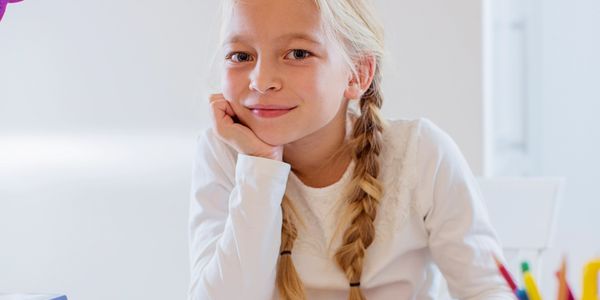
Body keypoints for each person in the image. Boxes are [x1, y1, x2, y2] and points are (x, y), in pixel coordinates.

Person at [188, 0, 513, 299]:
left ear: (358, 74)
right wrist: (259, 166)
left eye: (298, 54)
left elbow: (485, 289)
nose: (261, 81)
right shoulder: (224, 153)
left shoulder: (422, 154)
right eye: (241, 56)